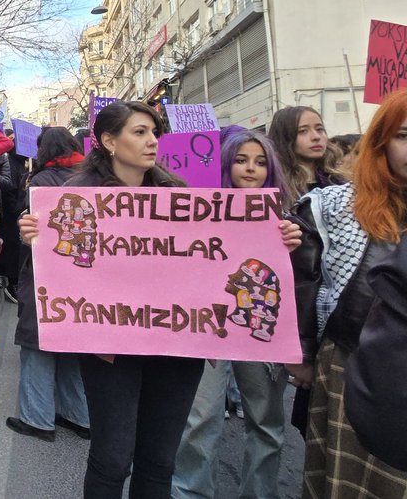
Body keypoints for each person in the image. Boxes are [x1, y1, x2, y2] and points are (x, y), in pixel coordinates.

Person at [18, 103, 301, 498]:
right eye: (139, 132)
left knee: (159, 462)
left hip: (176, 350)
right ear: (109, 141)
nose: (152, 141)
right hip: (109, 350)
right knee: (112, 459)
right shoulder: (74, 198)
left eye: (154, 132)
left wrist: (275, 240)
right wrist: (34, 235)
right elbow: (63, 266)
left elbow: (218, 258)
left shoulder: (180, 196)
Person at [289, 89, 407, 497]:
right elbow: (304, 280)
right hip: (354, 365)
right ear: (381, 142)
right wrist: (301, 353)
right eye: (404, 136)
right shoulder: (335, 207)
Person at [172, 130, 293, 499]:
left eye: (259, 162)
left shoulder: (285, 218)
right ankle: (190, 491)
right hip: (209, 329)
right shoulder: (200, 211)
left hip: (261, 330)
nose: (251, 169)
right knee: (200, 418)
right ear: (225, 164)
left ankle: (259, 493)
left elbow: (297, 277)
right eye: (241, 160)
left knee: (266, 422)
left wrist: (294, 244)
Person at [7, 126, 90, 443]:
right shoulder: (91, 180)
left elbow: (33, 238)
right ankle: (79, 416)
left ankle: (37, 418)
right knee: (71, 347)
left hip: (46, 276)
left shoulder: (40, 183)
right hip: (81, 278)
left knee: (37, 346)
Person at [268, 106, 345, 206]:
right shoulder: (273, 184)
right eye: (303, 131)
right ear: (284, 138)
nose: (316, 137)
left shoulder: (338, 181)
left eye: (319, 129)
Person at [0, 121, 27, 298]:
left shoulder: (22, 163)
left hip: (15, 213)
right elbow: (9, 188)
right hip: (9, 214)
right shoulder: (9, 161)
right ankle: (10, 279)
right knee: (11, 247)